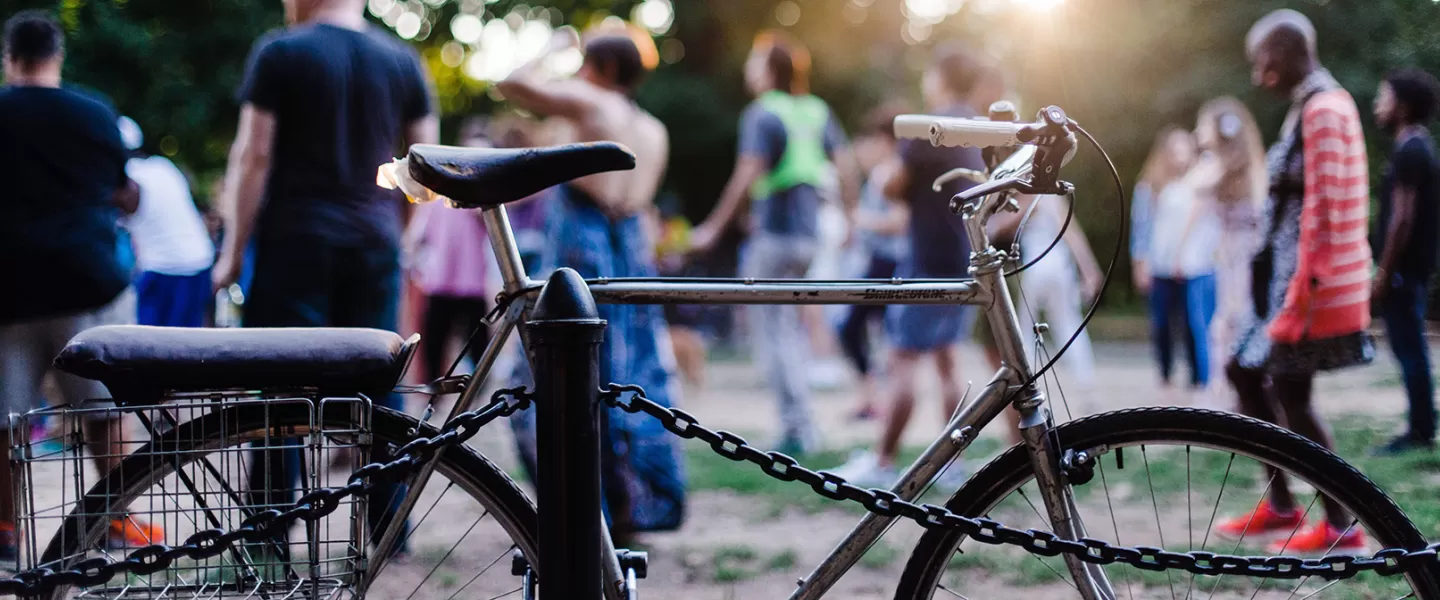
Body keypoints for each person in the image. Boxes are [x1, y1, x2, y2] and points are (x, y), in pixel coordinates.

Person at [211, 0, 438, 549]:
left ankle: (269, 533)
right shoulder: (402, 59)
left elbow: (254, 156)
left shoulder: (281, 52)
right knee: (380, 390)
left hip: (296, 241)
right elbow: (426, 164)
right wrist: (402, 236)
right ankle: (389, 530)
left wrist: (233, 252)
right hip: (374, 243)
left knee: (281, 390)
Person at [497, 24, 686, 541]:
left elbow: (511, 83)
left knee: (557, 375)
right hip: (631, 249)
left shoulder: (593, 103)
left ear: (600, 69)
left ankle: (582, 512)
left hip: (583, 247)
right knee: (631, 377)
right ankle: (633, 507)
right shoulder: (653, 128)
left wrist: (552, 47)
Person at [0, 10, 160, 559]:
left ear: (9, 56)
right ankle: (116, 521)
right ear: (57, 55)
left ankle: (4, 531)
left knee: (6, 419)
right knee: (103, 409)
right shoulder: (94, 113)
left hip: (9, 287)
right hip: (86, 280)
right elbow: (123, 192)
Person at [1215, 9, 1374, 553]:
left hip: (1303, 287)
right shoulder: (1311, 105)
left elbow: (1328, 207)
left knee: (1285, 390)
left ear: (1282, 52)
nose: (1259, 75)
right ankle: (1286, 506)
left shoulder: (1325, 108)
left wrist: (1304, 291)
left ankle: (1342, 523)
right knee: (1251, 373)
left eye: (1261, 61)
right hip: (1287, 283)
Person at [689, 30, 861, 455]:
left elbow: (747, 173)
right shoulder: (815, 110)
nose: (749, 68)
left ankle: (797, 429)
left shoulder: (762, 113)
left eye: (754, 60)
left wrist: (713, 226)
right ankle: (800, 424)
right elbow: (846, 165)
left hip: (776, 237)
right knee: (787, 330)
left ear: (769, 69)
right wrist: (852, 217)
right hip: (808, 236)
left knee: (774, 333)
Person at [829, 45, 991, 487]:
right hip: (962, 257)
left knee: (902, 360)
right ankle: (952, 462)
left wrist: (889, 175)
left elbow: (890, 184)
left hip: (925, 261)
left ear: (939, 77)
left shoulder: (932, 130)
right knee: (948, 363)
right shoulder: (977, 130)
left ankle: (882, 461)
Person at [1370, 67, 1440, 455]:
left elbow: (1402, 217)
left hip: (1404, 271)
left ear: (1404, 105)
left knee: (1409, 347)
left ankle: (1419, 431)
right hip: (1409, 270)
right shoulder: (1414, 147)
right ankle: (1421, 425)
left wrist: (1385, 271)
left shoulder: (1411, 150)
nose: (1378, 105)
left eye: (1384, 97)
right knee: (1409, 346)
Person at [1189, 98, 1266, 410]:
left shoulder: (1228, 168)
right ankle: (1232, 389)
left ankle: (1238, 390)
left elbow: (1196, 186)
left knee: (1236, 319)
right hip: (1232, 251)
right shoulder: (1222, 166)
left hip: (1244, 252)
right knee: (1229, 320)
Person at [836, 103, 912, 421]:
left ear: (884, 139)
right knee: (879, 335)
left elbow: (899, 221)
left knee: (853, 328)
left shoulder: (889, 172)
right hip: (888, 261)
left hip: (888, 262)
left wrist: (859, 220)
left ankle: (873, 399)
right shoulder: (896, 170)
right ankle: (874, 399)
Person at [404, 117, 493, 385]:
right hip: (440, 281)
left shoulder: (487, 200)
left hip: (472, 284)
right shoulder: (440, 195)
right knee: (433, 346)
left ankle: (478, 397)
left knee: (480, 350)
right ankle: (435, 395)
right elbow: (418, 235)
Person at [117, 116, 216, 328]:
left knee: (150, 350)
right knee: (188, 348)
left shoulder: (129, 178)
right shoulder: (163, 166)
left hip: (166, 271)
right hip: (199, 262)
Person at [1134, 128, 1207, 389]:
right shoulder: (1150, 186)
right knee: (1162, 324)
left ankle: (1198, 378)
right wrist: (1140, 264)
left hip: (1190, 267)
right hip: (1159, 265)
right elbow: (1140, 229)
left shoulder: (1200, 183)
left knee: (1192, 323)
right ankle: (1165, 375)